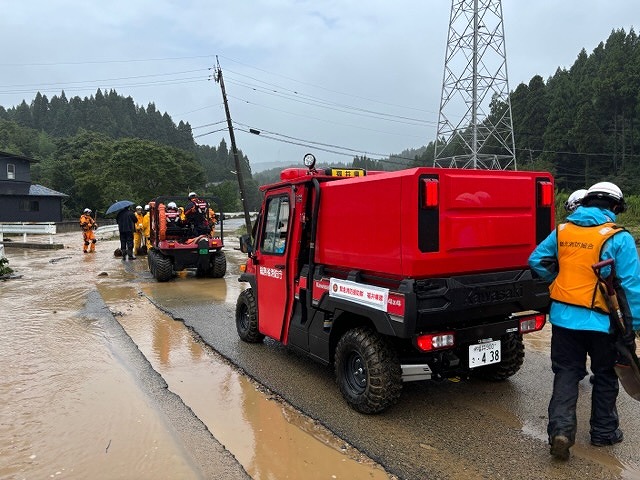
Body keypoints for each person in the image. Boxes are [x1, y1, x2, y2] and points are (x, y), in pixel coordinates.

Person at [528, 181, 640, 461]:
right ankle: (604, 433)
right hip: (604, 324)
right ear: (615, 207)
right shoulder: (619, 237)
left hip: (564, 320)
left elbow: (536, 260)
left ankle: (561, 432)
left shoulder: (563, 230)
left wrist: (557, 281)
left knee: (566, 373)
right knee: (605, 375)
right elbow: (632, 286)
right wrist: (633, 328)